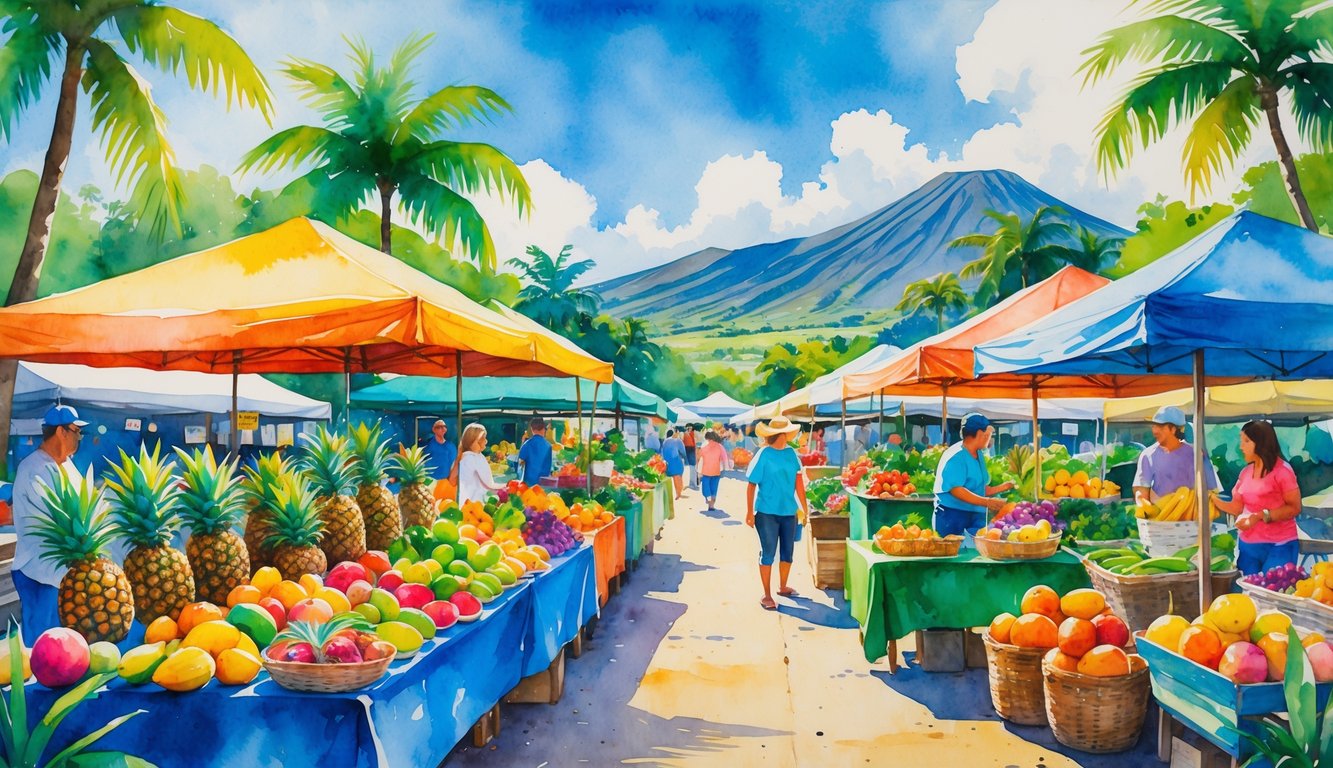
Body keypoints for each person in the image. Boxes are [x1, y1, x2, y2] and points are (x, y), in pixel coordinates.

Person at [12, 405, 89, 635]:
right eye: (75, 430)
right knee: (41, 645)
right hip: (39, 574)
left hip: (62, 573)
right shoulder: (33, 468)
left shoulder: (68, 465)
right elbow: (57, 518)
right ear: (60, 432)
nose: (79, 437)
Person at [1210, 421, 1302, 575]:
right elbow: (1236, 507)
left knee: (1272, 593)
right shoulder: (1245, 473)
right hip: (1248, 547)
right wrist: (1212, 499)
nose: (1241, 446)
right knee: (1245, 592)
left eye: (1246, 441)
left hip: (1279, 546)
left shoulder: (1283, 471)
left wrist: (1259, 516)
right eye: (1241, 440)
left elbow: (1294, 507)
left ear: (1261, 443)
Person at [746, 416, 808, 611]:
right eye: (788, 433)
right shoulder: (764, 454)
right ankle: (766, 594)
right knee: (768, 553)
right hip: (766, 513)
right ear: (781, 434)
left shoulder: (792, 454)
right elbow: (751, 484)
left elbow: (799, 484)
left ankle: (782, 586)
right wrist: (749, 512)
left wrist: (805, 509)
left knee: (788, 553)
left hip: (789, 512)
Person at [932, 413, 1016, 536]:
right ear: (979, 434)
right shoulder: (956, 456)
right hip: (952, 517)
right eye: (987, 435)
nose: (989, 438)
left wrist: (1003, 487)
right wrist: (987, 502)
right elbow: (956, 490)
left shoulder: (978, 453)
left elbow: (978, 488)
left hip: (975, 517)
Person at [1133, 406, 1219, 507]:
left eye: (1159, 427)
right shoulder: (1147, 455)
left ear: (1173, 429)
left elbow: (1212, 489)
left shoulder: (1196, 454)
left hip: (1192, 518)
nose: (1154, 431)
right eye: (1154, 426)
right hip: (1159, 518)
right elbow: (1141, 490)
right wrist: (1145, 507)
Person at [450, 423, 504, 505]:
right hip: (474, 505)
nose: (486, 441)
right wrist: (508, 486)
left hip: (470, 503)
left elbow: (452, 480)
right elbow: (488, 485)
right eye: (483, 438)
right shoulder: (471, 458)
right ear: (476, 440)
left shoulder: (468, 456)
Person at [698, 430, 731, 512]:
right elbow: (724, 458)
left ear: (708, 439)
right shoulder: (720, 446)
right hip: (717, 470)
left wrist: (699, 471)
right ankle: (711, 505)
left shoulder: (704, 446)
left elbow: (701, 460)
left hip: (706, 470)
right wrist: (726, 467)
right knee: (714, 487)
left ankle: (708, 497)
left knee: (706, 485)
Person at [517, 417, 554, 487]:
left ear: (532, 429)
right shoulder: (548, 446)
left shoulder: (526, 444)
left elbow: (520, 462)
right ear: (543, 429)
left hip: (529, 484)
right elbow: (549, 465)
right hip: (544, 484)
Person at [662, 429, 687, 499]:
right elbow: (683, 451)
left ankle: (678, 492)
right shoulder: (678, 441)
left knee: (675, 476)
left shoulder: (665, 441)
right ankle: (678, 492)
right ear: (676, 433)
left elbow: (663, 451)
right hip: (675, 461)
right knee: (678, 476)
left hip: (667, 462)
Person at [682, 425, 699, 489]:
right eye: (689, 428)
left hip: (690, 449)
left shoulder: (691, 434)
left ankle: (692, 483)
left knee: (691, 466)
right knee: (690, 467)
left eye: (691, 428)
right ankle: (692, 483)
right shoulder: (686, 434)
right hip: (689, 448)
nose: (690, 429)